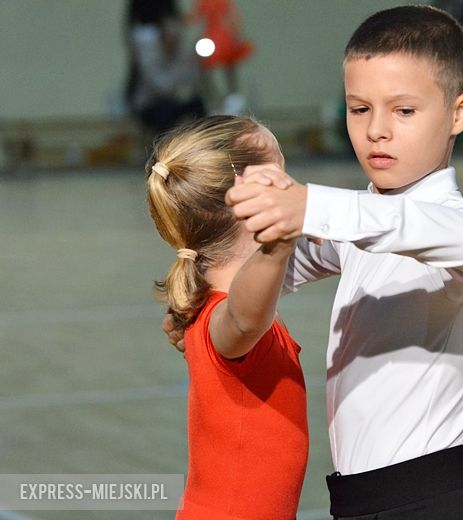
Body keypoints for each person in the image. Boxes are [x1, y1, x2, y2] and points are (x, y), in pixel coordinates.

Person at [224, 6, 463, 519]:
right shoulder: (358, 228)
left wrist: (309, 205)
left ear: (459, 113)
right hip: (360, 505)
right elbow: (262, 279)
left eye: (404, 111)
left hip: (438, 502)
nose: (377, 130)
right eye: (359, 109)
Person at [147, 115, 308, 519]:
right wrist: (278, 242)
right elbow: (244, 321)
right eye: (281, 175)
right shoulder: (224, 316)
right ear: (252, 196)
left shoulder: (205, 308)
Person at [128, 1, 206, 137]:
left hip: (174, 101)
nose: (174, 34)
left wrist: (196, 61)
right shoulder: (147, 44)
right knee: (166, 108)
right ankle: (163, 152)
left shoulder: (180, 50)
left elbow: (193, 83)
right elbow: (160, 86)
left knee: (197, 104)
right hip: (150, 105)